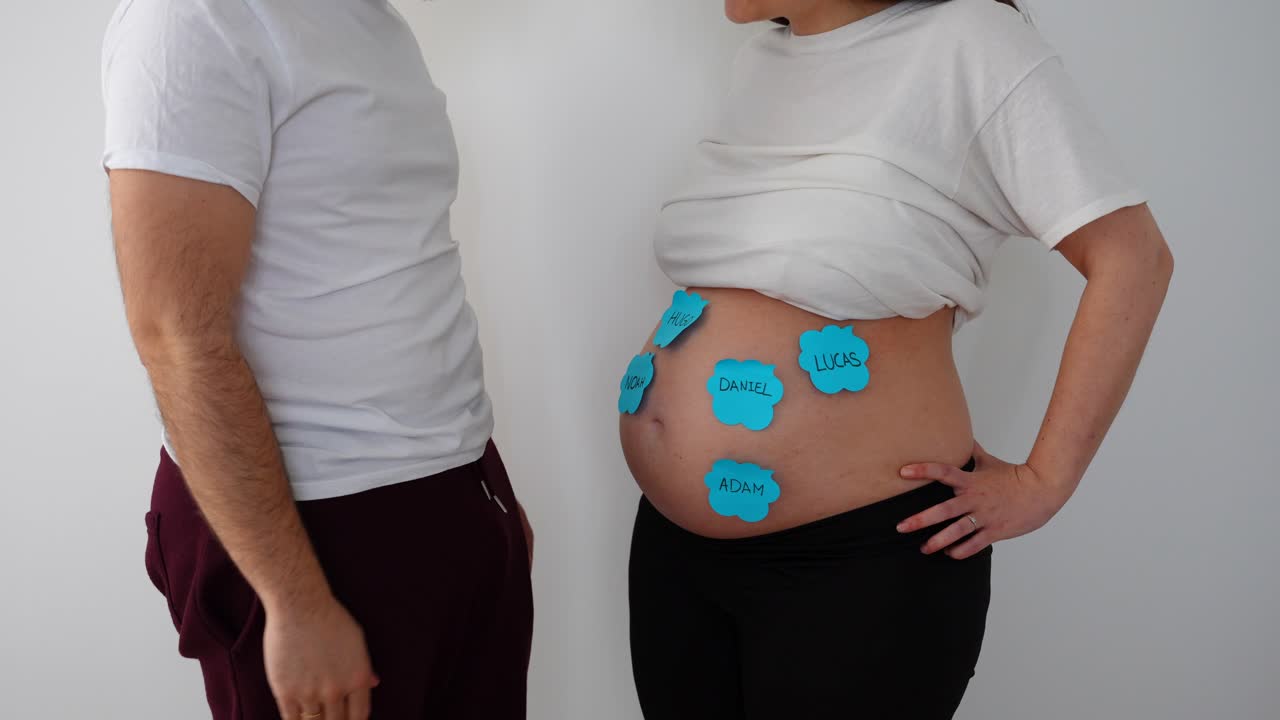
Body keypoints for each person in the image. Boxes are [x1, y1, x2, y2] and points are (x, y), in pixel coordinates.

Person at [621, 0, 1172, 718]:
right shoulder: (761, 61)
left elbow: (1133, 256)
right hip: (676, 553)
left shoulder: (969, 42)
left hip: (857, 562)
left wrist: (1045, 478)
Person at [101, 0, 533, 718]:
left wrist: (479, 493)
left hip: (449, 496)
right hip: (312, 531)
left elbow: (399, 262)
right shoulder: (195, 18)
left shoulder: (371, 19)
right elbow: (176, 334)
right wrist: (292, 600)